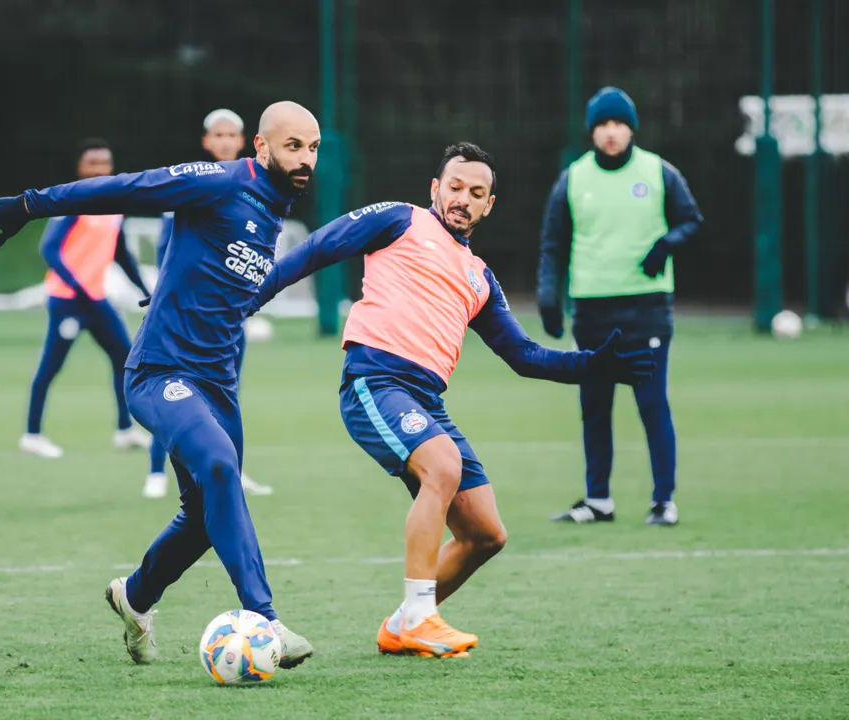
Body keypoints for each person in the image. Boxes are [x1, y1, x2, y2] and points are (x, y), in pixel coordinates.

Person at [249, 142, 654, 658]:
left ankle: (400, 625)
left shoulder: (479, 276)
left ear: (489, 206)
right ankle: (420, 618)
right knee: (443, 467)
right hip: (375, 381)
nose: (464, 199)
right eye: (456, 187)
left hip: (425, 401)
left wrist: (593, 365)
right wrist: (250, 296)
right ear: (435, 189)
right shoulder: (399, 219)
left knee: (485, 533)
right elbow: (317, 248)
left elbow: (525, 355)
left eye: (477, 193)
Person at [0, 101, 319, 669]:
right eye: (293, 145)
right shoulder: (221, 181)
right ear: (261, 146)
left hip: (218, 383)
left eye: (312, 147)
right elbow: (127, 189)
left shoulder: (274, 207)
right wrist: (31, 204)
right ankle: (265, 617)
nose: (305, 158)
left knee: (206, 517)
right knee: (222, 467)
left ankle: (133, 597)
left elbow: (226, 279)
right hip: (160, 372)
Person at [537, 87, 703, 527]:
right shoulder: (573, 179)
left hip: (645, 310)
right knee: (594, 406)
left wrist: (665, 245)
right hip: (592, 311)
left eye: (619, 124)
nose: (611, 133)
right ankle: (599, 501)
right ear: (592, 131)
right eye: (603, 125)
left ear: (631, 128)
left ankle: (663, 501)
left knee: (651, 404)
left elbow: (692, 220)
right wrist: (549, 298)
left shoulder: (658, 172)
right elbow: (553, 245)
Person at [143, 109, 273, 498]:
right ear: (206, 141)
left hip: (228, 317)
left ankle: (233, 470)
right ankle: (156, 471)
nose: (224, 141)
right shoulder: (193, 182)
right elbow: (167, 245)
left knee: (227, 392)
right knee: (173, 392)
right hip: (188, 316)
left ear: (243, 140)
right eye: (217, 134)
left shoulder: (259, 188)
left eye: (231, 134)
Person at [19, 138, 151, 459]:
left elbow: (121, 255)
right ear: (81, 168)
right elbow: (49, 249)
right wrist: (79, 288)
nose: (99, 169)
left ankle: (124, 430)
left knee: (125, 358)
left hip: (97, 300)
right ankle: (32, 435)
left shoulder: (113, 204)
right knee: (51, 366)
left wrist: (146, 290)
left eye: (104, 163)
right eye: (92, 163)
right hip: (68, 300)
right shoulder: (72, 202)